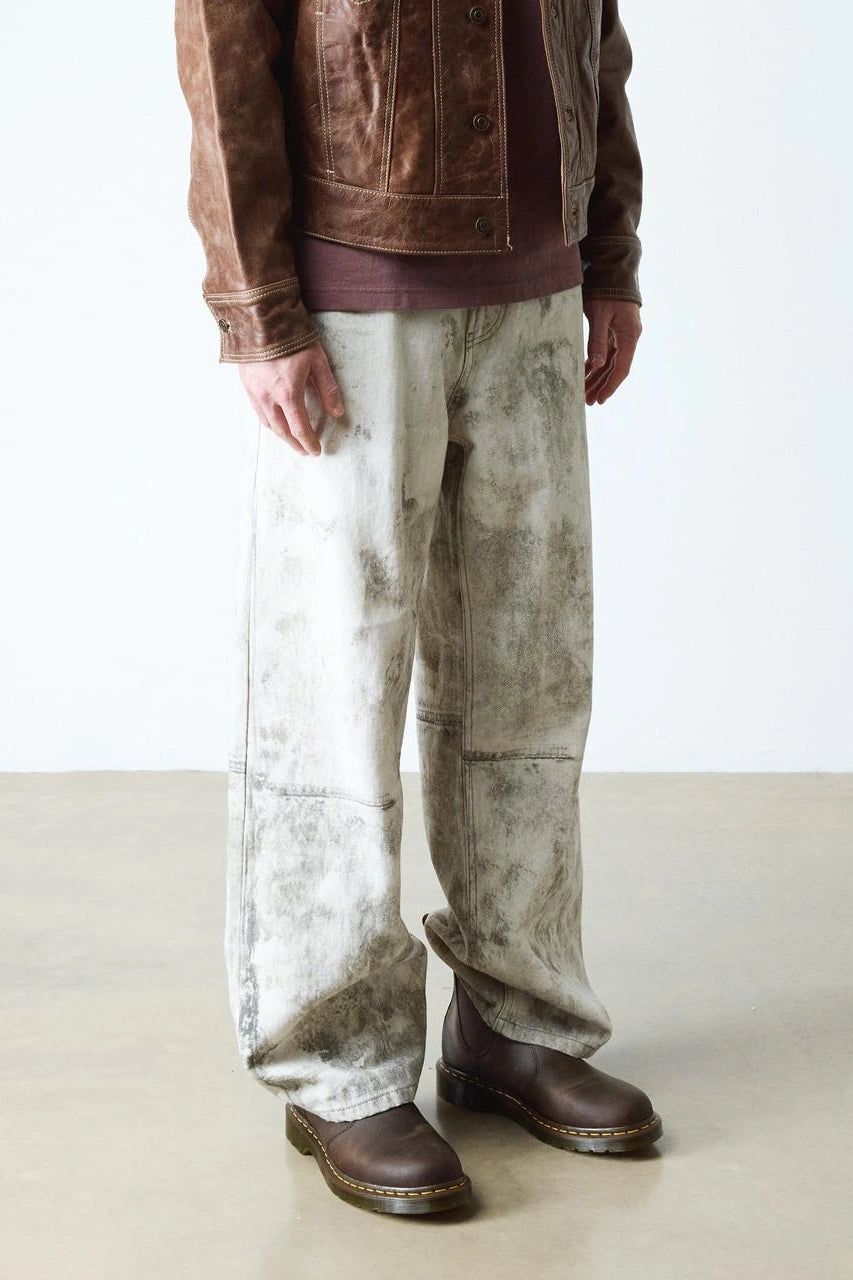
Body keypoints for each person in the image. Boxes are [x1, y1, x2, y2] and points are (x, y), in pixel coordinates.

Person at [175, 0, 662, 1216]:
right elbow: (223, 43)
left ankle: (517, 1018)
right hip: (354, 286)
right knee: (333, 697)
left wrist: (609, 251)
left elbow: (594, 32)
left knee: (528, 677)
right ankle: (334, 1059)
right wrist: (258, 306)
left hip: (537, 279)